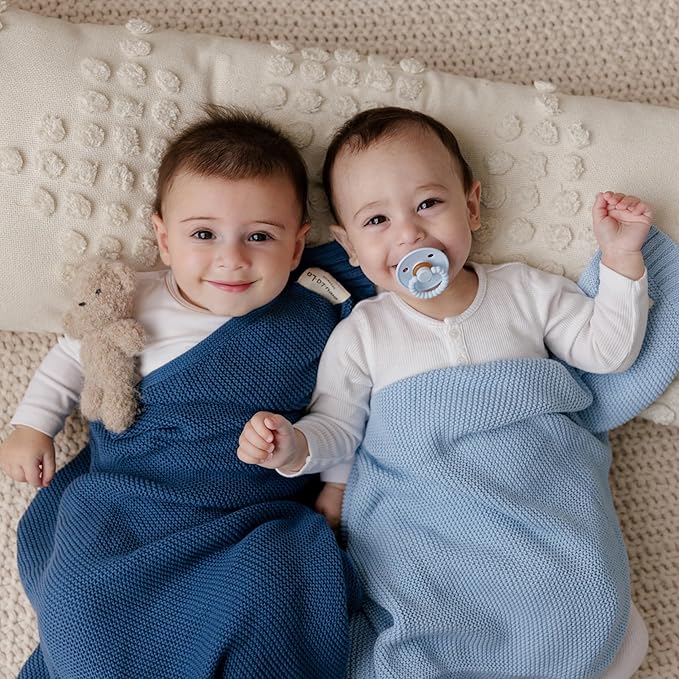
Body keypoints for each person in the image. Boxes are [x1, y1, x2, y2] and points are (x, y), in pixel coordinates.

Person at [237, 107, 655, 678]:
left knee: (576, 601)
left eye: (429, 204)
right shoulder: (363, 334)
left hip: (538, 500)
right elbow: (339, 426)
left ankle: (584, 643)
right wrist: (294, 446)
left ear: (472, 206)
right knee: (421, 623)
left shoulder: (525, 291)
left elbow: (607, 353)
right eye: (377, 219)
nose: (409, 233)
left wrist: (621, 260)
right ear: (350, 247)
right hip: (429, 525)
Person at [0, 104, 364, 679]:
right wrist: (31, 425)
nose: (231, 258)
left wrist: (323, 472)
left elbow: (343, 414)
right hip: (129, 502)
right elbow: (73, 355)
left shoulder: (318, 315)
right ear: (164, 239)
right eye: (203, 234)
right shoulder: (135, 298)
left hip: (248, 516)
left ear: (297, 247)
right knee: (80, 596)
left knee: (273, 584)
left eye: (260, 236)